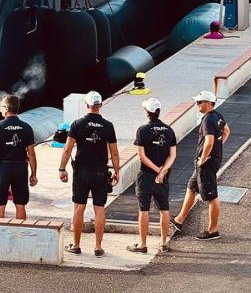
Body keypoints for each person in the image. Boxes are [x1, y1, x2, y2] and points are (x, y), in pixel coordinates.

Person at [58, 90, 120, 257]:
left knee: (79, 207)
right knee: (99, 208)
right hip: (100, 172)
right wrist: (117, 171)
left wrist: (62, 168)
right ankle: (98, 248)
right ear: (100, 105)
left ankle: (76, 245)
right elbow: (114, 152)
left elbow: (67, 149)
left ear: (86, 105)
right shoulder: (108, 126)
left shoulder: (77, 124)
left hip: (81, 171)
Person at [171, 90, 229, 241]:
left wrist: (203, 158)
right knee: (191, 187)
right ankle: (179, 220)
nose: (197, 104)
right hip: (210, 160)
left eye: (200, 102)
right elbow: (226, 131)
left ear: (209, 103)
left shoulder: (208, 119)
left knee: (212, 196)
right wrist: (218, 148)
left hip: (206, 163)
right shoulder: (218, 116)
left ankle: (213, 230)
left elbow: (209, 141)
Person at [128, 97, 176, 255]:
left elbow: (141, 156)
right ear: (159, 111)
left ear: (147, 112)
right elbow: (173, 155)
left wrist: (156, 170)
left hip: (146, 176)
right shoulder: (169, 130)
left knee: (144, 209)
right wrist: (162, 172)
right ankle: (163, 243)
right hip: (163, 177)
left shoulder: (142, 130)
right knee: (164, 208)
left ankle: (143, 244)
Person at [0, 94, 37, 220]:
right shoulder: (26, 127)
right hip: (20, 168)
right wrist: (33, 174)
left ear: (6, 109)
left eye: (2, 106)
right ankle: (19, 230)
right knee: (20, 205)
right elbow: (31, 154)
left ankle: (0, 231)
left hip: (3, 168)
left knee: (0, 205)